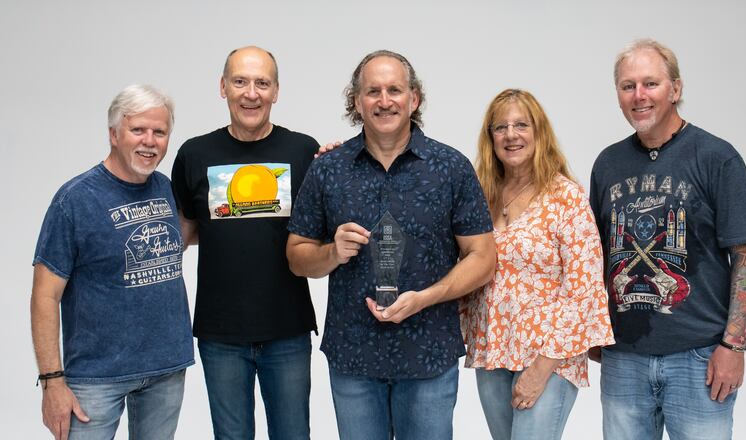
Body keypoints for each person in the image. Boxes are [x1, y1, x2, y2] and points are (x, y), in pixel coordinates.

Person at [286, 50, 496, 440]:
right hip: (354, 355)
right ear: (356, 101)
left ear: (414, 99)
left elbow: (483, 257)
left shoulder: (451, 168)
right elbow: (297, 257)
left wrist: (426, 297)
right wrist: (332, 252)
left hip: (428, 355)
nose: (384, 101)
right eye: (373, 91)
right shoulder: (328, 169)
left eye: (394, 90)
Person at [589, 39, 746, 440]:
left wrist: (733, 347)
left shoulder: (717, 158)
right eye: (628, 86)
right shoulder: (607, 163)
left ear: (676, 90)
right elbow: (596, 255)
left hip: (699, 357)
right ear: (618, 95)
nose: (639, 95)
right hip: (623, 357)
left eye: (650, 83)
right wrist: (592, 329)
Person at [170, 46, 319, 440]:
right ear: (223, 87)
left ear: (276, 91)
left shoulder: (304, 151)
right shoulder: (194, 153)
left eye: (261, 83)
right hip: (221, 334)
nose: (251, 93)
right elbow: (186, 231)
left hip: (287, 330)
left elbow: (322, 226)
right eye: (240, 81)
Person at [30, 84, 194, 440]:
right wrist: (52, 382)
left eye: (160, 132)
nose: (149, 141)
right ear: (113, 134)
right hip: (95, 377)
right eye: (138, 130)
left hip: (166, 369)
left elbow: (185, 235)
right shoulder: (74, 200)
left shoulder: (166, 189)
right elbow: (45, 295)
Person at [459, 89, 614, 440]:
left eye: (521, 125)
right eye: (501, 127)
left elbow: (585, 288)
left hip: (548, 356)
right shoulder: (481, 195)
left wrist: (543, 366)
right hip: (492, 352)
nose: (511, 135)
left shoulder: (565, 197)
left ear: (539, 132)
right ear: (490, 138)